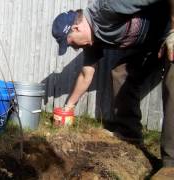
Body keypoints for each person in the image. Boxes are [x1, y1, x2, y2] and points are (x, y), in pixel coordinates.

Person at [52, 0, 174, 173]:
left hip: (170, 31)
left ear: (76, 28)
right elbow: (86, 73)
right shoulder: (92, 41)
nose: (73, 48)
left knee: (172, 79)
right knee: (120, 74)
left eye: (70, 42)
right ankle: (129, 136)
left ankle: (171, 164)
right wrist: (68, 107)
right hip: (152, 45)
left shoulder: (108, 7)